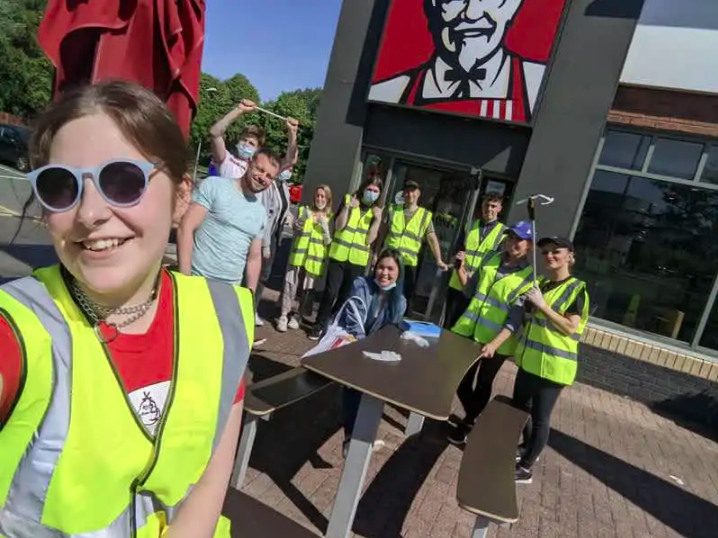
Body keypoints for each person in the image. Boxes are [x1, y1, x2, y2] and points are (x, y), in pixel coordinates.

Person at [0, 81, 253, 537]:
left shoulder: (222, 318)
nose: (90, 212)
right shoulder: (17, 329)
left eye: (123, 180)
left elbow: (206, 490)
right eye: (61, 187)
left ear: (181, 198)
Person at [368, 0, 546, 123]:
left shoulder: (538, 90)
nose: (471, 13)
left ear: (512, 5)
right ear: (433, 6)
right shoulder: (389, 92)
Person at [448, 221, 535, 446]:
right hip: (469, 330)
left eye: (519, 240)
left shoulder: (528, 278)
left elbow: (515, 320)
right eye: (510, 237)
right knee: (461, 380)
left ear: (529, 246)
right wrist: (460, 269)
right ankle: (478, 418)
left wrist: (494, 344)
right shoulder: (490, 258)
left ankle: (466, 424)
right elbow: (470, 289)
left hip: (497, 342)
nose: (513, 242)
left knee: (483, 383)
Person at [512, 236, 589, 484]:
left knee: (540, 417)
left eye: (556, 251)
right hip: (530, 361)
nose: (549, 256)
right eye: (545, 252)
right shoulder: (542, 284)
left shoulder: (577, 289)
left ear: (570, 256)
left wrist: (543, 306)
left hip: (553, 366)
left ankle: (526, 467)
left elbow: (570, 327)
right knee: (520, 410)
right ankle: (525, 448)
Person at [177, 149, 282, 295]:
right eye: (260, 169)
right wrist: (184, 278)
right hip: (196, 281)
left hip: (230, 293)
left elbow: (254, 257)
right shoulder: (214, 186)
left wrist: (249, 294)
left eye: (269, 176)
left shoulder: (260, 213)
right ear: (249, 163)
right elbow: (186, 227)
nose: (262, 177)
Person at [333, 249, 407, 456]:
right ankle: (351, 437)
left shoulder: (400, 302)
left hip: (371, 351)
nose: (384, 273)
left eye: (390, 269)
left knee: (378, 382)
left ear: (399, 273)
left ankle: (363, 435)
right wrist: (362, 347)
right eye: (381, 267)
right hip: (350, 342)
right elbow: (353, 319)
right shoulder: (361, 285)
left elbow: (389, 334)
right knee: (354, 383)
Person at [309, 173, 384, 340]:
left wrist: (378, 220)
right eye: (369, 189)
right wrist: (348, 207)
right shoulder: (350, 199)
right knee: (330, 292)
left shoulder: (376, 212)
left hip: (357, 259)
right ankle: (318, 324)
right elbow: (338, 226)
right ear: (364, 188)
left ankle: (331, 321)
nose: (372, 192)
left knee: (344, 296)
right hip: (339, 255)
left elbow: (370, 240)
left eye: (375, 190)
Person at [444, 193, 506, 328]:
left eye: (493, 206)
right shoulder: (470, 225)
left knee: (466, 328)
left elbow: (498, 263)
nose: (489, 209)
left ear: (500, 209)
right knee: (449, 325)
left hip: (478, 288)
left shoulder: (504, 233)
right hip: (457, 284)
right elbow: (458, 251)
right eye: (486, 205)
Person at [277, 184, 333, 332]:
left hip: (314, 259)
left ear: (327, 199)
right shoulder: (304, 210)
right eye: (318, 195)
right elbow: (295, 231)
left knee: (307, 289)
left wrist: (325, 228)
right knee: (290, 285)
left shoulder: (329, 217)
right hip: (299, 255)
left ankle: (298, 316)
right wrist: (301, 220)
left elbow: (328, 242)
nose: (320, 199)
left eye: (323, 196)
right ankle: (283, 314)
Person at [383, 180, 448, 307]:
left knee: (402, 299)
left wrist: (439, 260)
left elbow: (432, 238)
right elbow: (382, 232)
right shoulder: (393, 209)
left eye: (413, 191)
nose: (409, 194)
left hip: (408, 264)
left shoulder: (424, 215)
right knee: (384, 294)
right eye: (407, 191)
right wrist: (375, 253)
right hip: (389, 260)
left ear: (418, 194)